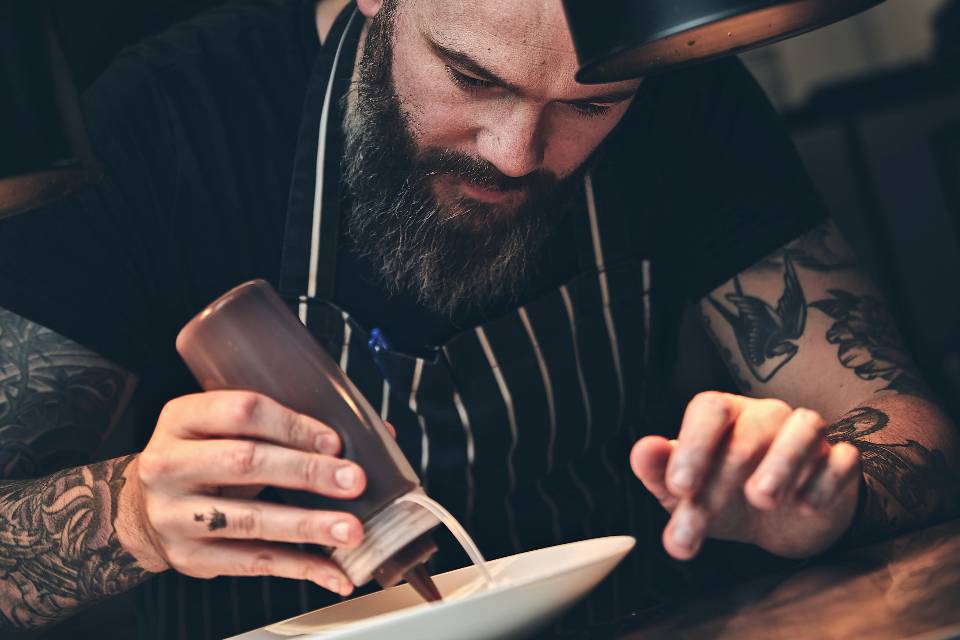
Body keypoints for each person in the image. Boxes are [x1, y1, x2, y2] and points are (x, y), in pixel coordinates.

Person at [0, 0, 957, 637]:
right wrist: (131, 516)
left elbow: (909, 430)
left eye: (594, 104)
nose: (517, 152)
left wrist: (827, 494)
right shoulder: (165, 124)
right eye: (474, 79)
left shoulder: (684, 85)